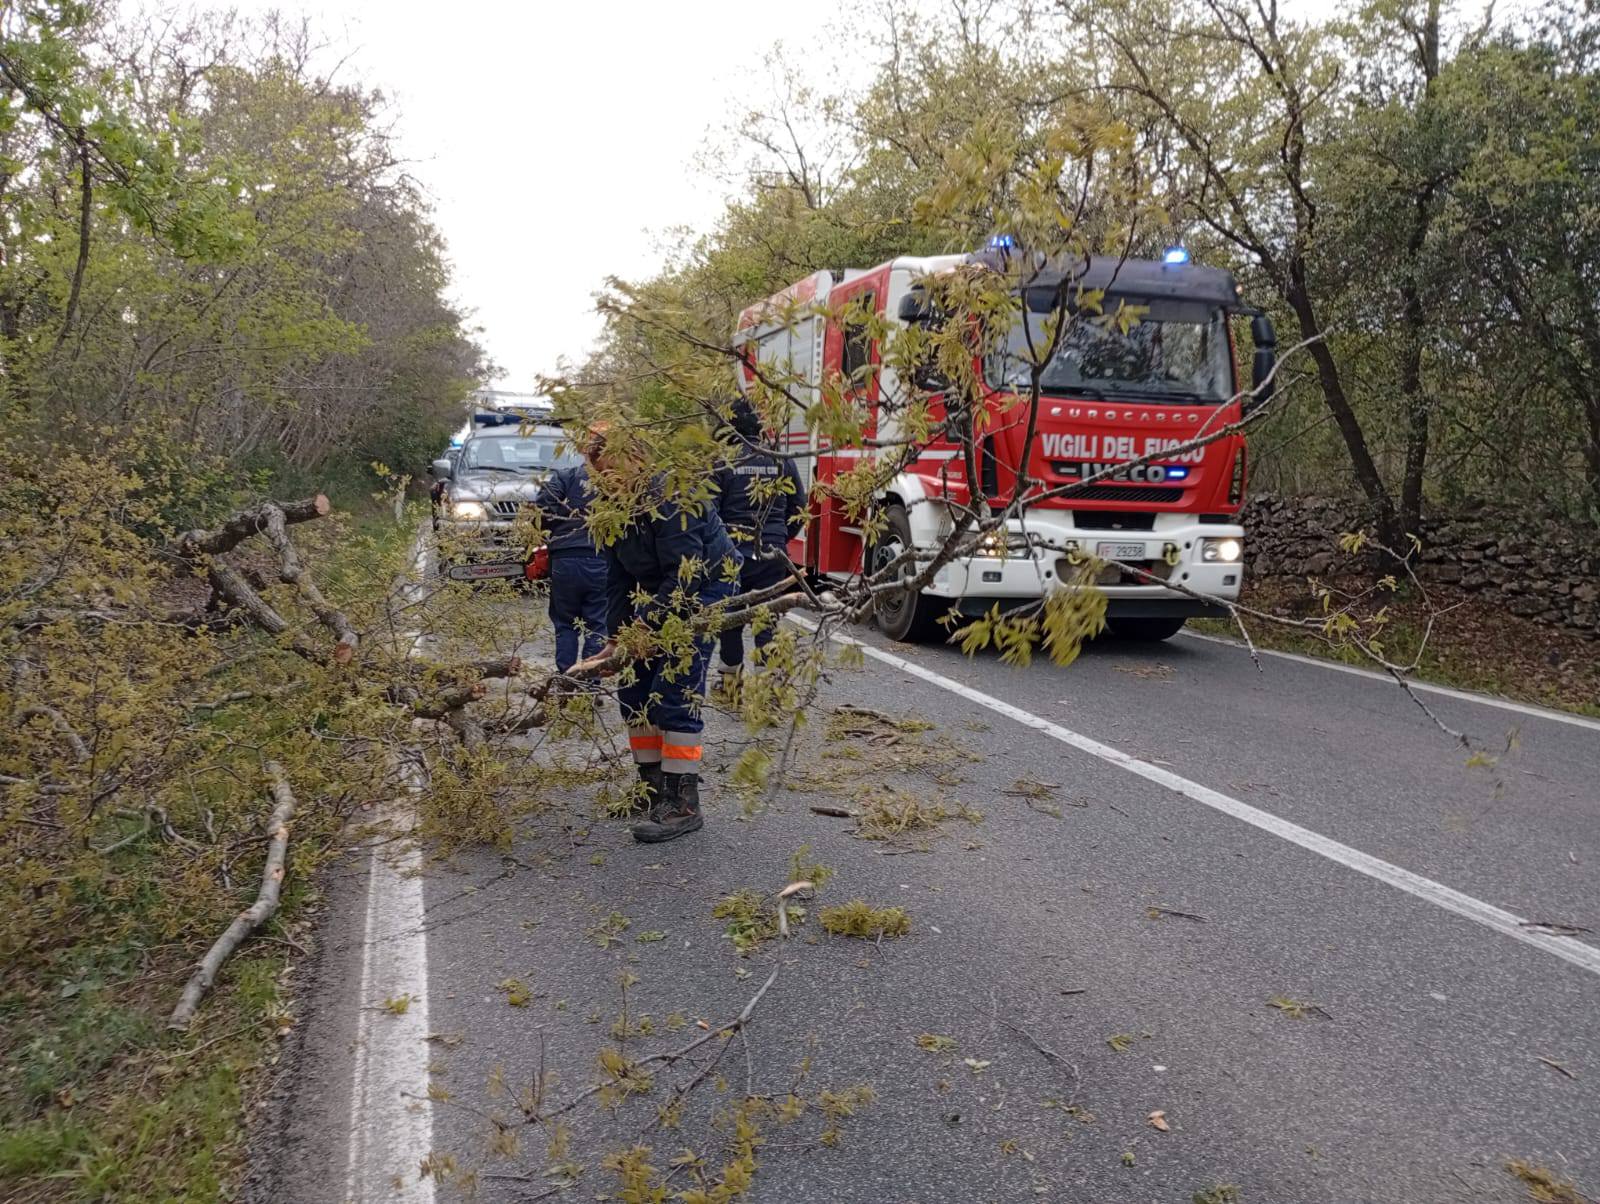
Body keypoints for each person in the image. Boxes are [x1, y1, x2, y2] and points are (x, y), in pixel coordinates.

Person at [589, 426, 742, 843]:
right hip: (662, 590)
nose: (608, 482)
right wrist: (617, 640)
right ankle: (651, 790)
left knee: (675, 687)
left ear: (636, 458)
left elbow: (685, 576)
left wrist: (645, 626)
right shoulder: (610, 510)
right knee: (633, 685)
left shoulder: (672, 496)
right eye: (600, 475)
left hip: (705, 586)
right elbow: (618, 580)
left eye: (613, 471)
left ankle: (682, 803)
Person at [713, 399, 806, 690]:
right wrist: (780, 537)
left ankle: (730, 680)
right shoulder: (780, 459)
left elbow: (710, 513)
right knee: (767, 617)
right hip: (772, 554)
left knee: (730, 617)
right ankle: (768, 686)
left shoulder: (722, 461)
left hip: (733, 554)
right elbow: (799, 506)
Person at [532, 458, 608, 674]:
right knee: (597, 623)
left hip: (564, 558)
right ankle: (591, 680)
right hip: (601, 557)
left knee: (566, 622)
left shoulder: (565, 477)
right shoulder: (613, 482)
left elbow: (543, 509)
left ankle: (566, 678)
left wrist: (553, 531)